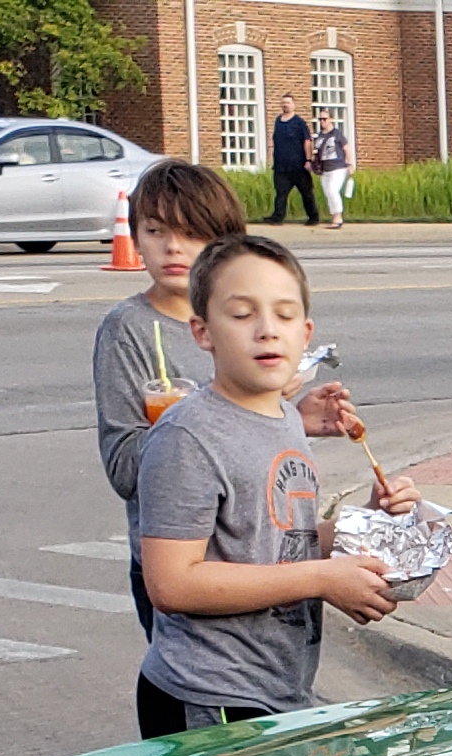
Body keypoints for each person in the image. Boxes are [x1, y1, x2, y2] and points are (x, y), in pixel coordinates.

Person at [132, 236, 418, 739]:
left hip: (277, 688)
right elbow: (171, 584)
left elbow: (284, 540)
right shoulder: (187, 436)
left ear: (305, 333)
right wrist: (322, 579)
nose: (267, 329)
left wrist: (367, 519)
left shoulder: (285, 418)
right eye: (242, 314)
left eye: (284, 315)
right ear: (203, 332)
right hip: (210, 695)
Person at [92, 160, 352, 643]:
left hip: (260, 552)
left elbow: (244, 446)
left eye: (192, 233)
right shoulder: (128, 329)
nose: (172, 247)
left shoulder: (249, 323)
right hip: (183, 559)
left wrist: (289, 416)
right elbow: (125, 468)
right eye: (155, 231)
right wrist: (200, 413)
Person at [270, 95, 319, 225]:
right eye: (283, 103)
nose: (285, 105)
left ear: (293, 105)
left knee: (306, 192)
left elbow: (307, 141)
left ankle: (313, 217)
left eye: (288, 102)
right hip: (281, 166)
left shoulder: (299, 123)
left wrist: (308, 160)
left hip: (298, 165)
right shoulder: (278, 121)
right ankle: (277, 217)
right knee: (281, 193)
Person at [313, 111, 352, 228]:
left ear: (330, 119)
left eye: (324, 119)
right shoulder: (319, 136)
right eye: (320, 119)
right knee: (328, 193)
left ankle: (338, 217)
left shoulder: (337, 134)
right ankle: (334, 215)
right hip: (325, 169)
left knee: (332, 190)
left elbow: (346, 149)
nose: (322, 121)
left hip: (338, 167)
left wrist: (349, 164)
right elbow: (317, 153)